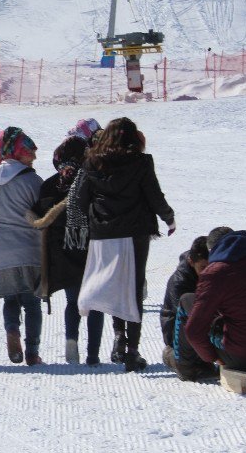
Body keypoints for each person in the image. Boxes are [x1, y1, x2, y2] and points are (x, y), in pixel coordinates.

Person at [70, 117, 175, 372]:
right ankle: (132, 351)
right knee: (134, 287)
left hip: (103, 233)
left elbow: (81, 200)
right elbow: (153, 194)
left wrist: (97, 216)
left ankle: (118, 335)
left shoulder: (91, 162)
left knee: (115, 283)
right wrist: (168, 217)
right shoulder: (140, 161)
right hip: (135, 232)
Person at [30, 135, 105, 366]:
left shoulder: (50, 184)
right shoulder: (93, 180)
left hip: (62, 253)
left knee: (72, 302)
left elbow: (37, 215)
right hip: (91, 249)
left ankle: (71, 342)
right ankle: (93, 354)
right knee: (95, 304)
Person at [0, 127, 44, 365]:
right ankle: (33, 353)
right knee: (32, 303)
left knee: (11, 300)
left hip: (1, 248)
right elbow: (44, 214)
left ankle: (12, 331)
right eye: (28, 152)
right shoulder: (34, 181)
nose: (33, 157)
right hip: (30, 248)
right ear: (17, 152)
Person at [184, 230, 246, 372]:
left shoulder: (216, 272)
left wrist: (212, 357)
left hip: (241, 356)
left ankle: (186, 367)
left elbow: (193, 331)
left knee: (186, 300)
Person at [161, 235, 214, 380]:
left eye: (210, 266)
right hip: (177, 333)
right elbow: (189, 317)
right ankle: (174, 357)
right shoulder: (180, 281)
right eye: (203, 267)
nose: (207, 271)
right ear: (191, 262)